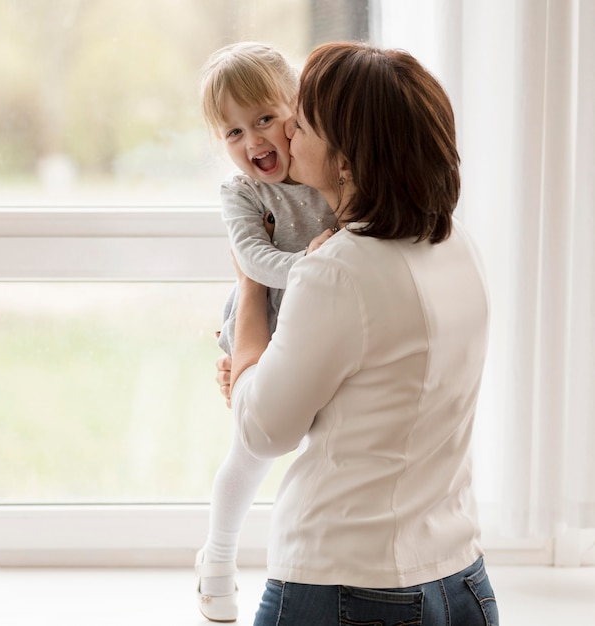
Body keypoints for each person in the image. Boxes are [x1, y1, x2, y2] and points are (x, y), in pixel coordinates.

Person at [219, 42, 500, 625]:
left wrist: (248, 285)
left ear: (346, 159)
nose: (287, 132)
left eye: (305, 122)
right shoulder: (456, 245)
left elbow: (261, 429)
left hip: (351, 587)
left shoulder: (337, 272)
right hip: (460, 577)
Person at [196, 41, 338, 622]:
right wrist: (313, 266)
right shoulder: (242, 192)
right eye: (233, 133)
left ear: (297, 111)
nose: (253, 141)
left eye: (264, 119)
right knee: (251, 453)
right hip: (270, 317)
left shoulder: (327, 163)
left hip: (326, 322)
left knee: (323, 442)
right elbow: (251, 259)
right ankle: (217, 561)